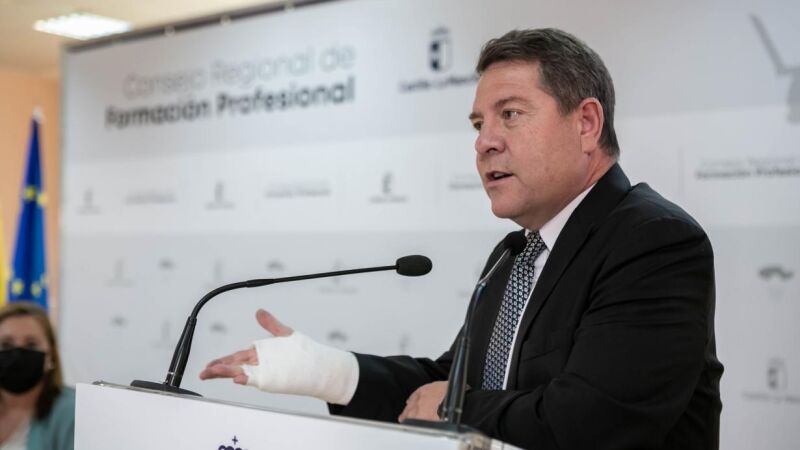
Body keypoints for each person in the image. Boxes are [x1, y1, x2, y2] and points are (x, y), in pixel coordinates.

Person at [200, 28, 723, 449]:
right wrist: (329, 372)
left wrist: (455, 409)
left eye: (510, 115)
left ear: (586, 123)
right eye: (478, 124)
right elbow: (457, 381)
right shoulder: (518, 252)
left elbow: (595, 421)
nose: (484, 142)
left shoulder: (653, 241)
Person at [0, 302, 74, 450]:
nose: (17, 355)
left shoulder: (73, 411)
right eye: (6, 344)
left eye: (31, 344)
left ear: (50, 356)